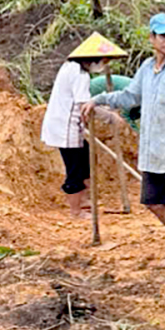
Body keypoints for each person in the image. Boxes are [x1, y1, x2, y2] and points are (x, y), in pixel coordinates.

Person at [86, 13, 165, 268]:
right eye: (164, 36)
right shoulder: (146, 70)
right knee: (153, 201)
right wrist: (99, 99)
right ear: (152, 38)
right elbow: (130, 97)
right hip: (152, 148)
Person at [40, 33, 126, 218]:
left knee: (86, 155)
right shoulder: (80, 75)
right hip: (66, 127)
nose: (104, 64)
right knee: (75, 168)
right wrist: (109, 117)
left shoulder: (69, 67)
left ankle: (85, 201)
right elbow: (85, 107)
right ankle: (76, 211)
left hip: (64, 124)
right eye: (103, 60)